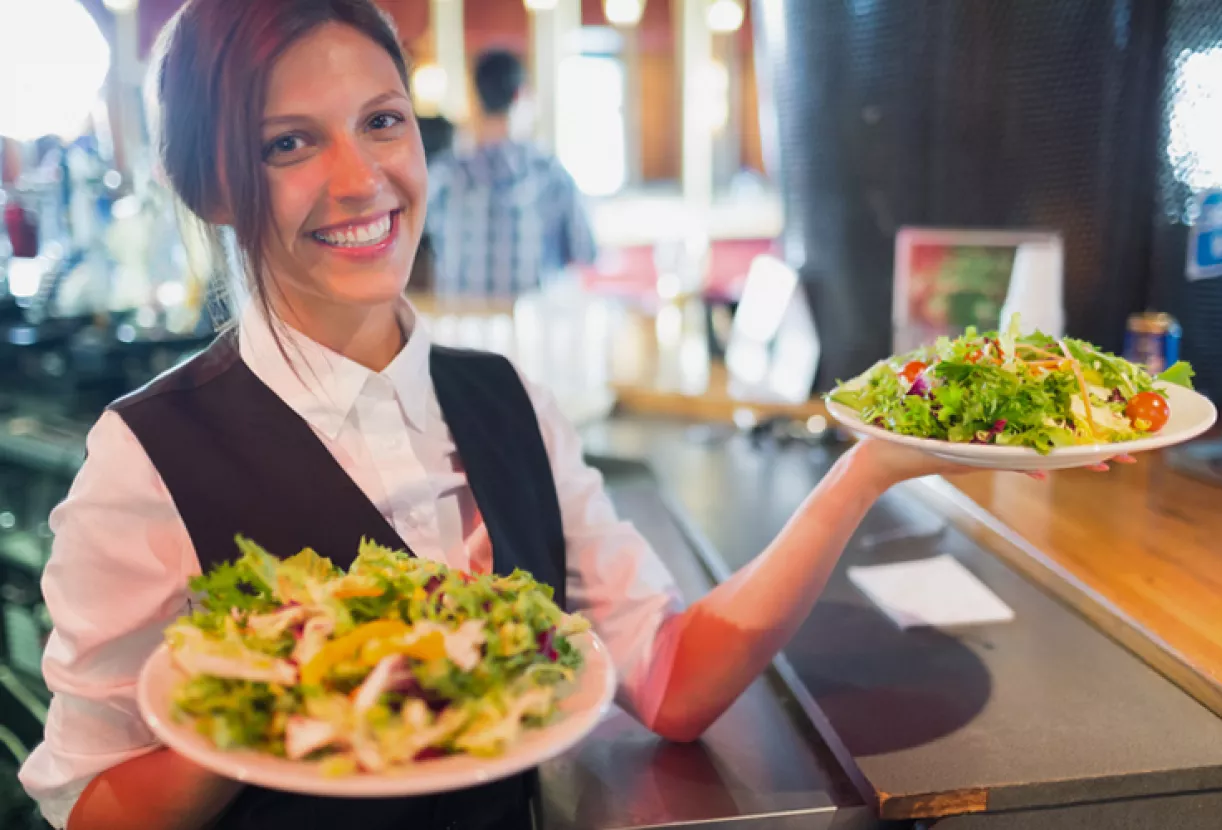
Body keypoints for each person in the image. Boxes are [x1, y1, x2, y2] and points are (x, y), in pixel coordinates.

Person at [16, 2, 1121, 829]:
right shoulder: (148, 459)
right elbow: (89, 805)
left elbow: (671, 680)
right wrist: (265, 691)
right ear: (210, 184)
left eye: (382, 121)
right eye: (288, 143)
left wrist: (868, 467)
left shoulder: (508, 402)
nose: (360, 179)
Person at [422, 49, 596, 297]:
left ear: (476, 98)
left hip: (462, 319)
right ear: (520, 95)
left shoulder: (442, 176)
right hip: (532, 320)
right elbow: (585, 252)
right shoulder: (552, 175)